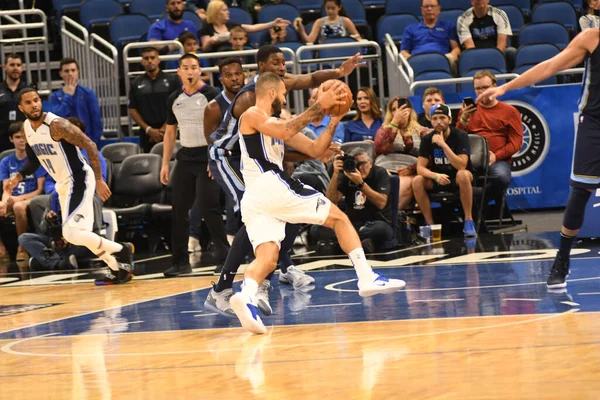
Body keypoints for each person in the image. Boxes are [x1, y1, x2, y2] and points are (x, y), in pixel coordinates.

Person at [230, 72, 405, 334]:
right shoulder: (252, 114)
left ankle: (246, 296)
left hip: (256, 198)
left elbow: (315, 150)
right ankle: (367, 277)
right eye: (284, 94)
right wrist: (319, 106)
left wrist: (333, 119)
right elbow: (285, 128)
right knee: (339, 218)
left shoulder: (273, 122)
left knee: (267, 258)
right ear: (271, 93)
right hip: (270, 185)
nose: (285, 98)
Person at [205, 45, 365, 317]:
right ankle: (225, 287)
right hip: (229, 156)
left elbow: (310, 80)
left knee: (279, 206)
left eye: (283, 64)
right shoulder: (249, 101)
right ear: (262, 70)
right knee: (252, 212)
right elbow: (260, 136)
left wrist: (339, 71)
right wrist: (319, 109)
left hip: (256, 158)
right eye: (276, 64)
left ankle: (270, 272)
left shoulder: (276, 89)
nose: (282, 69)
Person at [477, 23, 600, 289]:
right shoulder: (592, 37)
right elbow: (549, 67)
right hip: (595, 124)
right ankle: (562, 260)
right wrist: (504, 89)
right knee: (580, 193)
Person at [9, 88, 134, 285]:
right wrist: (18, 176)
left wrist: (100, 181)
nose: (34, 105)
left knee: (71, 233)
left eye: (37, 100)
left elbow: (90, 145)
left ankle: (122, 250)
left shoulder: (57, 125)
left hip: (79, 179)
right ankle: (117, 268)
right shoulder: (26, 128)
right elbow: (34, 160)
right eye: (29, 102)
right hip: (62, 184)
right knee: (81, 234)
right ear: (20, 107)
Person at [160, 54, 230, 277]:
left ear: (200, 71)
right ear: (179, 72)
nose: (190, 72)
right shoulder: (173, 98)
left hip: (207, 156)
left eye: (194, 67)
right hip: (185, 157)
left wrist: (215, 158)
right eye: (185, 68)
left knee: (209, 209)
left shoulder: (212, 96)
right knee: (178, 210)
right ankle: (180, 262)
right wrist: (165, 164)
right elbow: (170, 132)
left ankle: (225, 259)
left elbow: (223, 130)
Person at [456, 70, 523, 204]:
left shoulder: (510, 111)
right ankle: (476, 203)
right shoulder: (466, 112)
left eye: (485, 88)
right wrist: (463, 120)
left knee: (501, 177)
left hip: (498, 160)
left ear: (494, 87)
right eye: (478, 88)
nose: (481, 92)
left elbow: (516, 143)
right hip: (471, 159)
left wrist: (495, 156)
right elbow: (457, 139)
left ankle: (476, 200)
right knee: (454, 178)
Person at [411, 104, 477, 237]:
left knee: (463, 175)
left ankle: (468, 220)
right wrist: (435, 176)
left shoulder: (460, 135)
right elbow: (420, 168)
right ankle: (430, 224)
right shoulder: (427, 139)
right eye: (435, 118)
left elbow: (462, 166)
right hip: (440, 177)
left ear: (450, 120)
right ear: (430, 120)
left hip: (459, 177)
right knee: (417, 180)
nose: (438, 122)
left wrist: (443, 145)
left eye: (442, 117)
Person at [318, 147, 396, 253]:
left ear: (370, 162)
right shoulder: (347, 174)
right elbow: (331, 200)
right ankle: (360, 243)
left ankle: (342, 244)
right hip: (352, 222)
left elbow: (381, 203)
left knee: (381, 230)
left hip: (376, 221)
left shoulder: (380, 173)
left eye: (363, 164)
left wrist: (360, 184)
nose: (360, 168)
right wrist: (336, 174)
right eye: (356, 165)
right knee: (317, 229)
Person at [202, 57, 245, 247]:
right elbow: (211, 140)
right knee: (246, 205)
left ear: (245, 75)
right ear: (221, 80)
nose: (234, 79)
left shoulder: (252, 98)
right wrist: (214, 164)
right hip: (229, 159)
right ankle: (235, 242)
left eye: (238, 74)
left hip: (251, 157)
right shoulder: (214, 107)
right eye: (229, 76)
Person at [0, 121, 45, 261]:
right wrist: (4, 201)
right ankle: (1, 249)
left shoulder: (36, 160)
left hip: (30, 199)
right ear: (11, 139)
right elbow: (6, 189)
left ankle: (22, 248)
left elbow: (39, 190)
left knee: (18, 207)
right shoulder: (6, 161)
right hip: (13, 198)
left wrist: (17, 199)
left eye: (24, 137)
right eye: (18, 137)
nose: (22, 140)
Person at [374, 97, 429, 210]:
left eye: (401, 108)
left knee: (402, 184)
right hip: (385, 168)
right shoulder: (384, 129)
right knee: (384, 181)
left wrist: (413, 168)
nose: (398, 112)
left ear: (409, 111)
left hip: (408, 171)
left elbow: (430, 156)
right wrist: (394, 123)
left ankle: (390, 219)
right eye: (394, 110)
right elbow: (381, 148)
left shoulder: (422, 131)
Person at [19, 191, 97, 271]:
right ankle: (58, 263)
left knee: (93, 240)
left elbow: (95, 228)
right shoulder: (54, 197)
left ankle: (46, 262)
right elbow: (43, 230)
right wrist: (47, 220)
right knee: (24, 238)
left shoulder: (87, 197)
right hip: (56, 242)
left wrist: (69, 236)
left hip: (75, 241)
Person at [129, 47, 180, 153]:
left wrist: (164, 128)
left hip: (171, 130)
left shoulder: (173, 80)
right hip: (147, 135)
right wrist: (149, 130)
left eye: (152, 57)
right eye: (146, 58)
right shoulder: (136, 83)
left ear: (158, 59)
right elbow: (133, 110)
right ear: (142, 61)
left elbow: (179, 105)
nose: (150, 61)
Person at [48, 58, 103, 146]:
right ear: (61, 74)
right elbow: (57, 118)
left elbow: (96, 122)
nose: (70, 73)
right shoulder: (54, 96)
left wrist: (93, 143)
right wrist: (68, 96)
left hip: (86, 141)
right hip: (64, 143)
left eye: (73, 70)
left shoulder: (88, 94)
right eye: (66, 71)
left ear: (78, 72)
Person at [199, 0, 289, 52]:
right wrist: (211, 41)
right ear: (216, 12)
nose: (228, 12)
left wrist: (272, 23)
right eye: (225, 10)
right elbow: (205, 48)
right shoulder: (206, 29)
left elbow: (252, 28)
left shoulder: (231, 25)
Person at [400, 0, 461, 73]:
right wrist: (413, 60)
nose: (429, 9)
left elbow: (456, 48)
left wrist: (450, 57)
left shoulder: (448, 26)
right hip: (418, 61)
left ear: (439, 9)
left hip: (442, 59)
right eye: (426, 6)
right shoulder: (410, 28)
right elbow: (403, 51)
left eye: (432, 6)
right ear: (421, 9)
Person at [294, 0, 361, 44]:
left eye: (333, 8)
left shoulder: (346, 21)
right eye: (328, 8)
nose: (330, 11)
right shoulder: (319, 22)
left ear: (339, 7)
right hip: (326, 51)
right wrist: (301, 31)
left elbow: (358, 38)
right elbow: (310, 41)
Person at [0, 53, 27, 152]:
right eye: (12, 65)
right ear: (4, 67)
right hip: (2, 140)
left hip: (24, 140)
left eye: (18, 65)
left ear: (22, 68)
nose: (15, 68)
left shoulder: (28, 90)